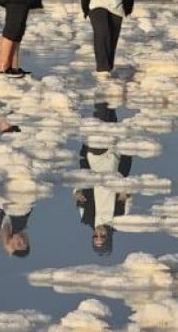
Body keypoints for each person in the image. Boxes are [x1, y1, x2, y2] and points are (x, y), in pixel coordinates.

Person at [73, 103, 133, 256]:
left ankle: (103, 90)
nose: (98, 234)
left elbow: (79, 189)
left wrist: (77, 193)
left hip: (94, 159)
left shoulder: (86, 218)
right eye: (102, 237)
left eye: (95, 237)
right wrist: (124, 193)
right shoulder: (120, 219)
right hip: (114, 161)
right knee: (109, 115)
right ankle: (107, 89)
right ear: (109, 237)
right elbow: (128, 192)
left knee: (100, 118)